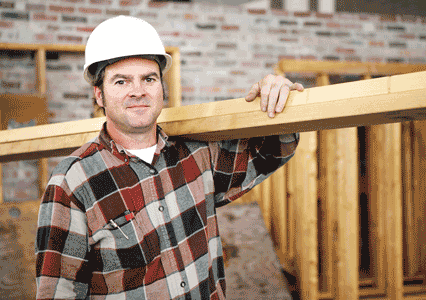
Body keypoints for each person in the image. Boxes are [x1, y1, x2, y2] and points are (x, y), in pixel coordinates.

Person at [35, 15, 304, 300]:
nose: (137, 91)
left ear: (161, 88)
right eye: (121, 81)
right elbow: (58, 293)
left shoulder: (197, 155)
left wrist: (278, 98)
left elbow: (272, 152)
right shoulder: (72, 184)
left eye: (148, 79)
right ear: (99, 95)